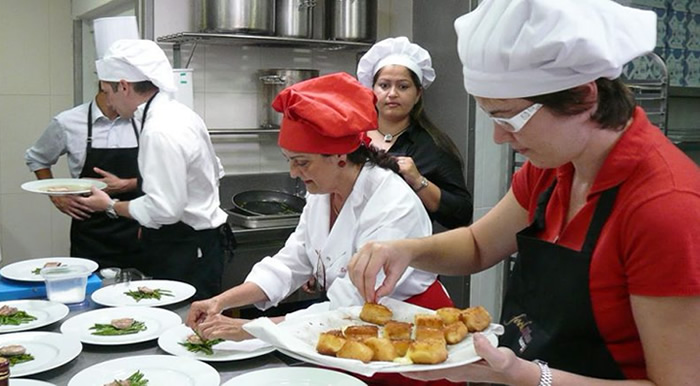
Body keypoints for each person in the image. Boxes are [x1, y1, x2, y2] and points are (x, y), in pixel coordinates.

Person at [348, 0, 700, 385]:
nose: (500, 137)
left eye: (509, 118)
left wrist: (531, 377)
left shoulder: (665, 208)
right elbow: (479, 245)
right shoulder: (553, 169)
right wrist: (407, 250)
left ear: (584, 97)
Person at [186, 72, 456, 386]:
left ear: (340, 157)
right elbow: (292, 261)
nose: (293, 172)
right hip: (348, 335)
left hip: (409, 340)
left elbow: (355, 301)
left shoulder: (392, 203)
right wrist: (223, 301)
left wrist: (254, 329)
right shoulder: (323, 193)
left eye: (302, 162)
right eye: (289, 160)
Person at [78, 39, 233, 300]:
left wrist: (109, 205)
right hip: (194, 243)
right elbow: (214, 172)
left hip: (186, 250)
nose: (109, 102)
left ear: (124, 86)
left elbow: (165, 210)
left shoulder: (159, 129)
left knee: (187, 328)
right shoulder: (180, 113)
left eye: (108, 92)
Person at [357, 36, 473, 230]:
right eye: (384, 85)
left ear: (418, 93)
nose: (392, 94)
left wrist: (419, 181)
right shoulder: (353, 138)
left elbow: (461, 214)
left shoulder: (433, 147)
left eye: (403, 86)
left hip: (405, 251)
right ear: (372, 90)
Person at [25, 89, 144, 270]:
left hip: (138, 225)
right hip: (91, 231)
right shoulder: (68, 122)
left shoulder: (144, 121)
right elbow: (37, 158)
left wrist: (127, 184)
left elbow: (163, 173)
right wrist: (56, 196)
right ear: (107, 86)